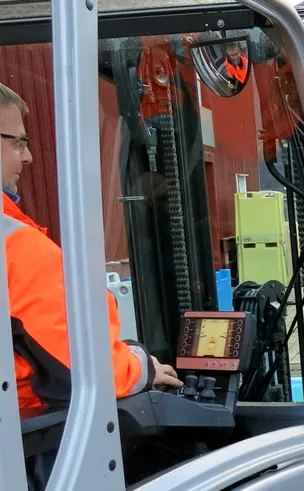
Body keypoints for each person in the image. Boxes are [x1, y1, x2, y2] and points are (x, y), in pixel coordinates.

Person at [0, 82, 182, 413]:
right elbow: (92, 375)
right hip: (28, 446)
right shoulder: (18, 249)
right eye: (19, 143)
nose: (27, 157)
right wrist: (144, 366)